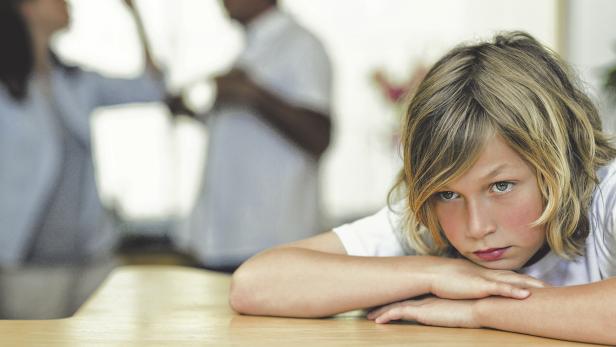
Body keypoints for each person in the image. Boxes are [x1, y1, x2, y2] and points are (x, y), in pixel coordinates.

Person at [229, 32, 616, 345]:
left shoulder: (608, 191)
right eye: (448, 194)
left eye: (501, 185)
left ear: (559, 161)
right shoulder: (424, 220)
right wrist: (432, 273)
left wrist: (480, 310)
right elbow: (256, 284)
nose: (476, 227)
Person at [0, 0, 165, 318]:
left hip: (90, 260)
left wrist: (135, 15)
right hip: (28, 267)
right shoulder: (6, 90)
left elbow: (152, 88)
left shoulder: (76, 82)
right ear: (26, 9)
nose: (67, 3)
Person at [175, 0, 332, 272]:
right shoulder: (248, 50)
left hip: (273, 243)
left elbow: (319, 135)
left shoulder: (302, 45)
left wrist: (253, 94)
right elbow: (242, 139)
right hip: (224, 240)